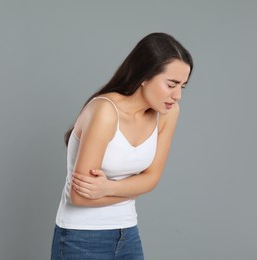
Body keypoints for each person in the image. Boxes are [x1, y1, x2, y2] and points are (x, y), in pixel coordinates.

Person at [51, 32, 193, 260]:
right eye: (171, 84)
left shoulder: (167, 113)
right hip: (81, 238)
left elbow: (152, 179)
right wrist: (133, 188)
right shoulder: (105, 112)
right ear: (145, 76)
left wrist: (108, 188)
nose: (177, 96)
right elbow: (80, 197)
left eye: (183, 87)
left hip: (127, 234)